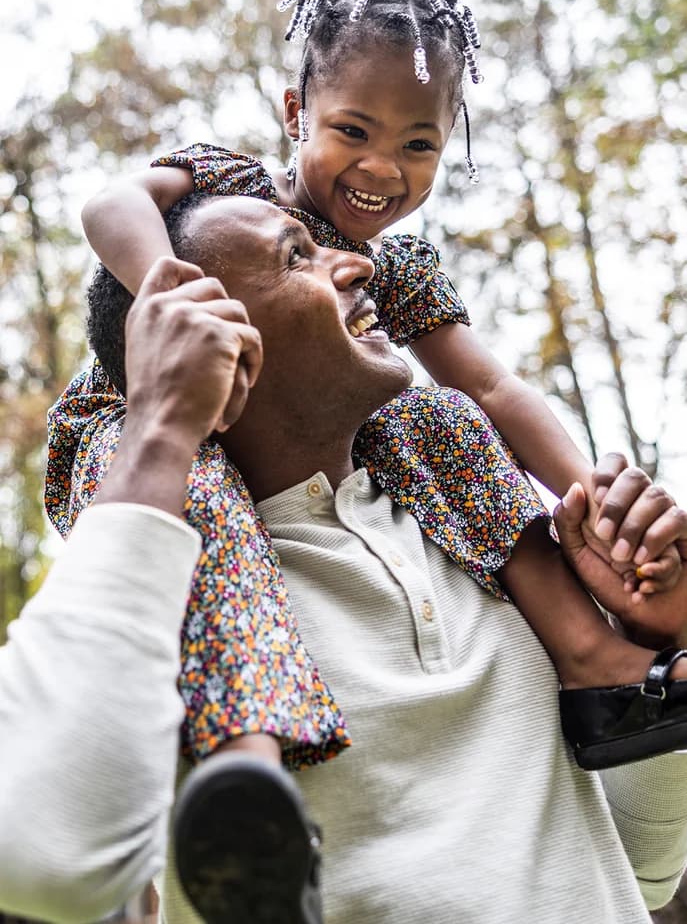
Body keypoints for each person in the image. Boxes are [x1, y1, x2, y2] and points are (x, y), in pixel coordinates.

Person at [85, 194, 687, 924]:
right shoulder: (175, 604)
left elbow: (642, 872)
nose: (359, 263)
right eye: (296, 254)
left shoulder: (486, 535)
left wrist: (660, 641)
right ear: (197, 335)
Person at [0, 255, 262, 924]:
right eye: (297, 257)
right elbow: (41, 848)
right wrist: (164, 425)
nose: (354, 262)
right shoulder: (162, 566)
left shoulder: (466, 512)